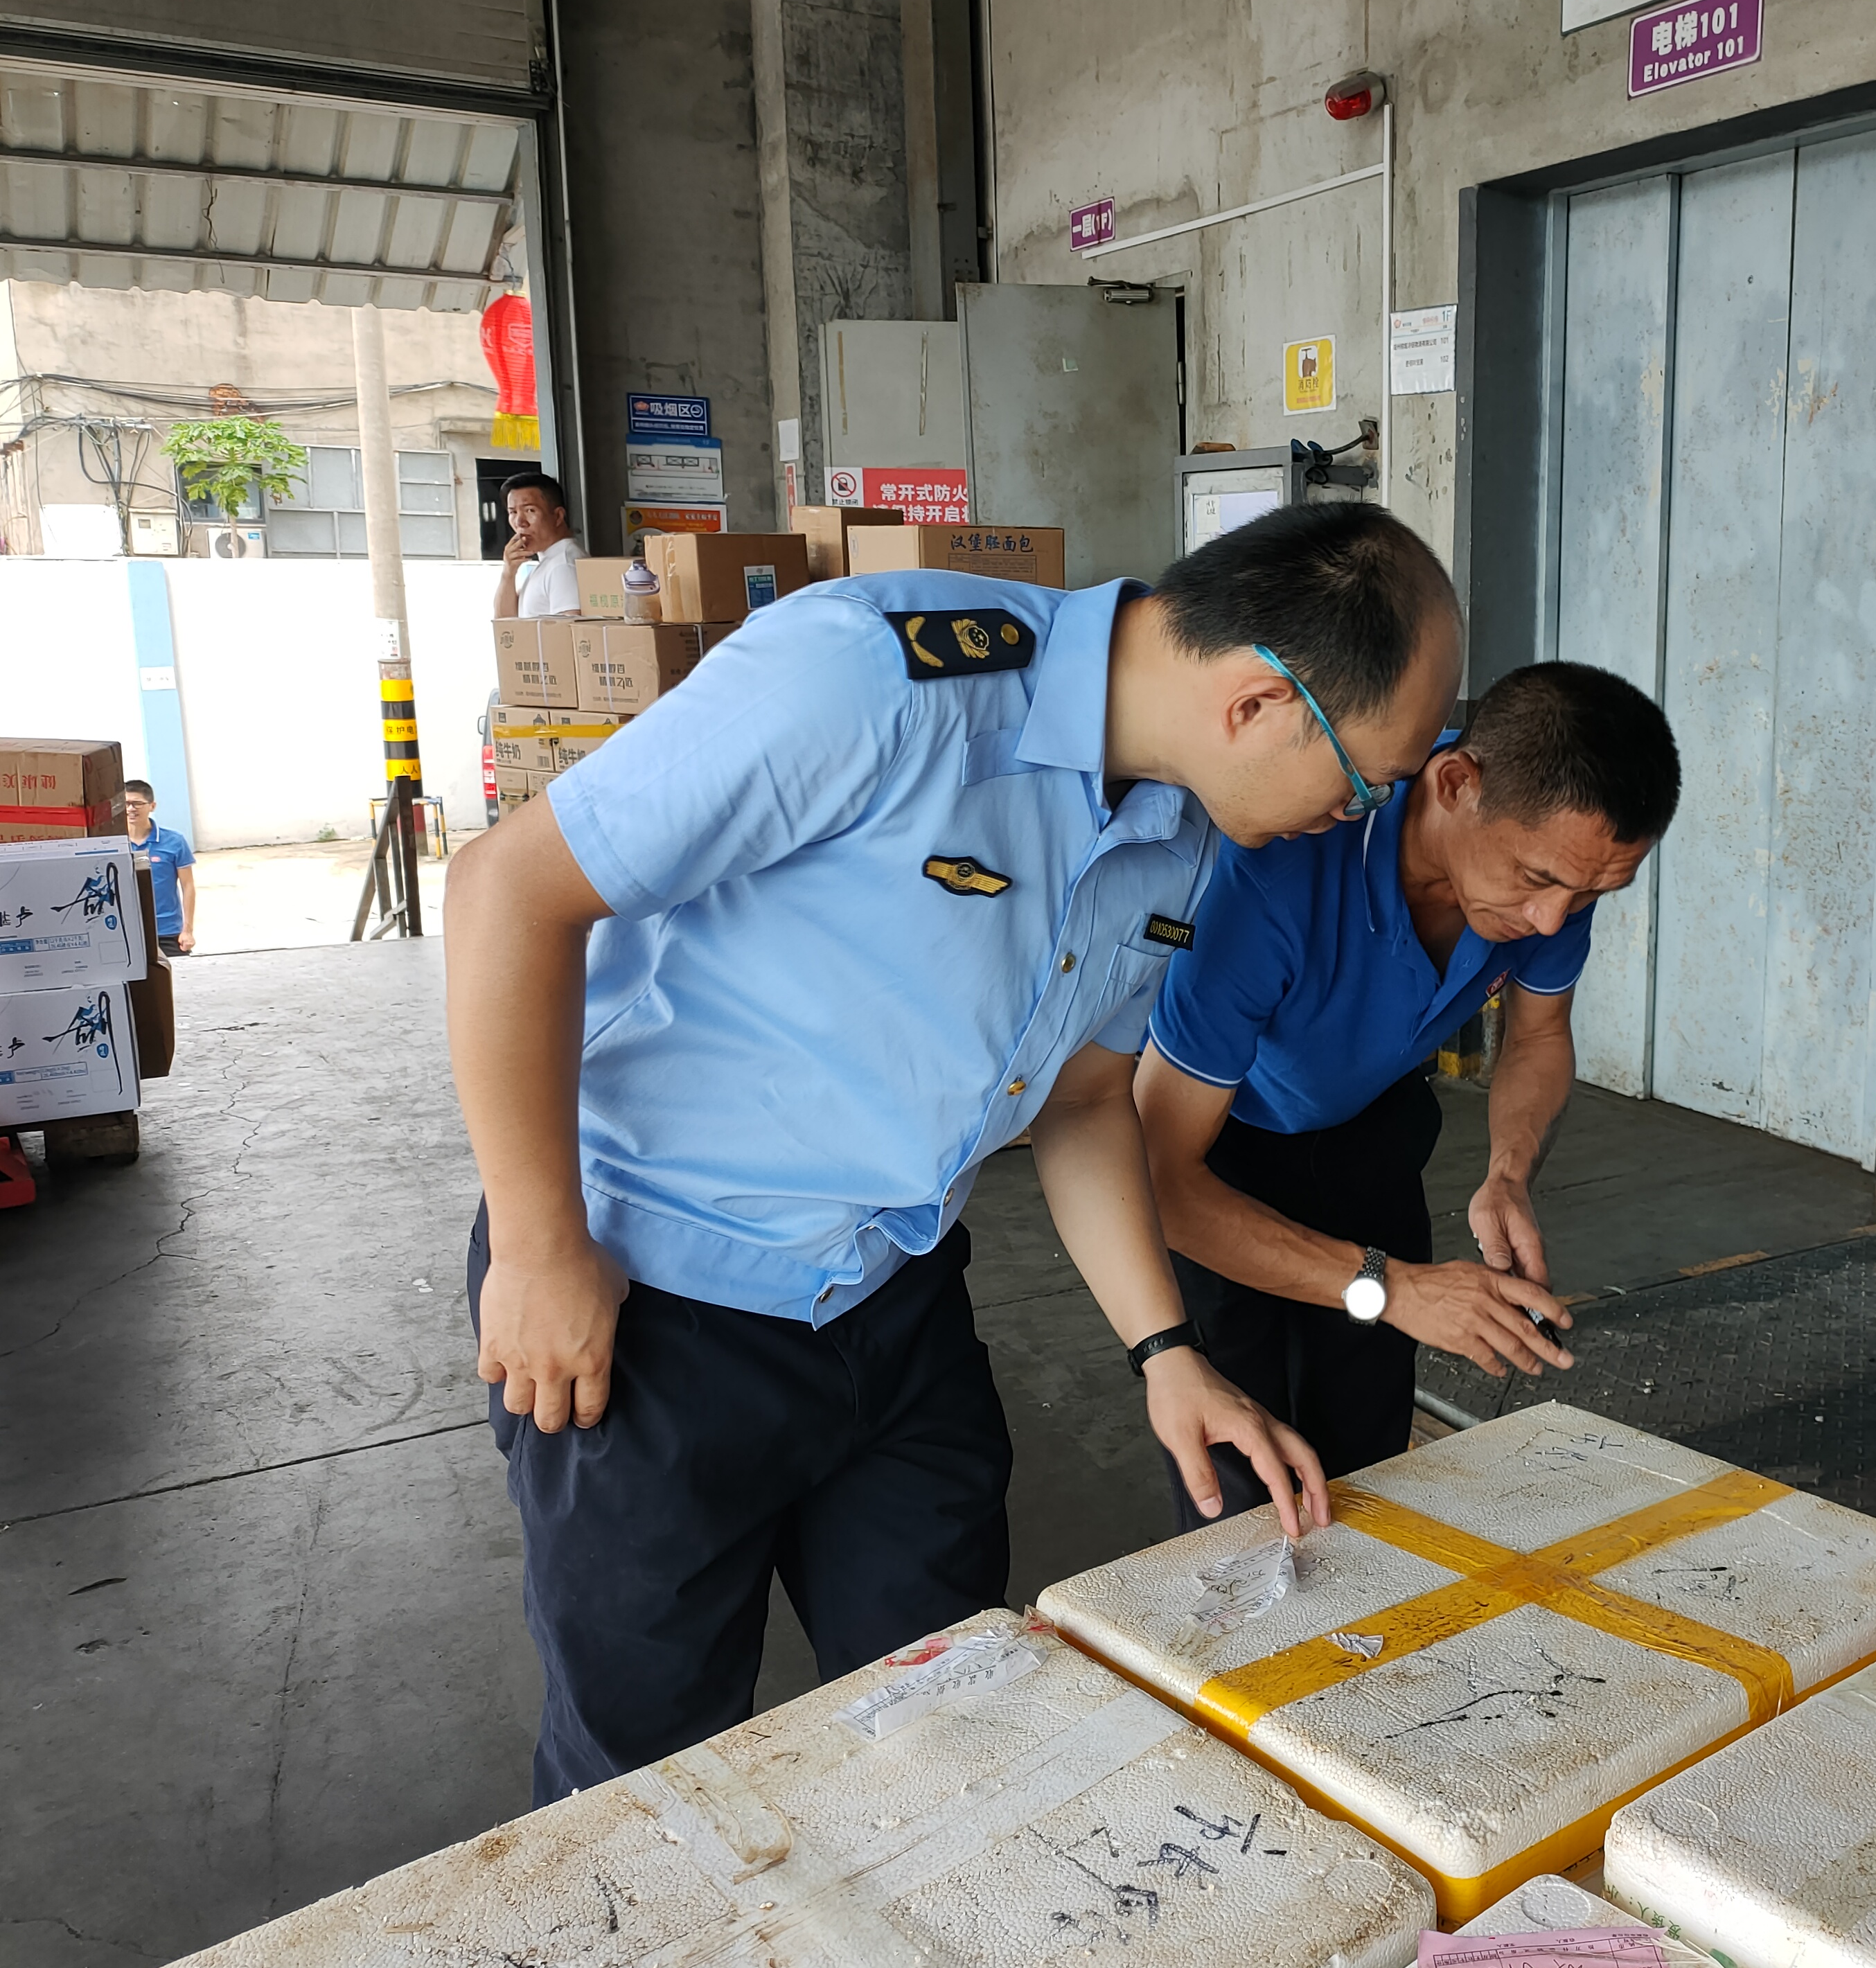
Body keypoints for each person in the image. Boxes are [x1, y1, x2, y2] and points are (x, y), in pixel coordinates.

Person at [441, 500, 1460, 1803]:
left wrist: (1168, 1354)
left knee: (951, 1715)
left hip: (893, 1302)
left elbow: (1088, 1105)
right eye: (1361, 785)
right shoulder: (875, 681)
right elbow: (510, 891)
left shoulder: (1184, 830)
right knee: (649, 1775)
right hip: (651, 1310)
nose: (1355, 820)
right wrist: (536, 1245)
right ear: (1259, 704)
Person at [1134, 661, 1679, 1527]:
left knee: (1367, 1451)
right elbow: (1158, 1180)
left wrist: (1508, 1172)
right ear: (1455, 784)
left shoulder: (1559, 871)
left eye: (1592, 894)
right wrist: (1389, 1288)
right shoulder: (1271, 876)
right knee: (1247, 1483)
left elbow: (1537, 1036)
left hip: (1370, 1133)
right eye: (1538, 882)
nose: (1553, 921)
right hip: (1219, 1155)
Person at [489, 470, 583, 622]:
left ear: (558, 516)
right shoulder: (549, 561)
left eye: (530, 510)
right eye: (513, 512)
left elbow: (570, 635)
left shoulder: (563, 565)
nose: (520, 522)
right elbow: (505, 626)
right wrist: (509, 573)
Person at [121, 779, 196, 957]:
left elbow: (188, 886)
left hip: (167, 931)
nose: (131, 809)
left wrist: (188, 931)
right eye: (126, 804)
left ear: (152, 806)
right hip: (127, 931)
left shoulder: (174, 841)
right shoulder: (112, 842)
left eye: (137, 803)